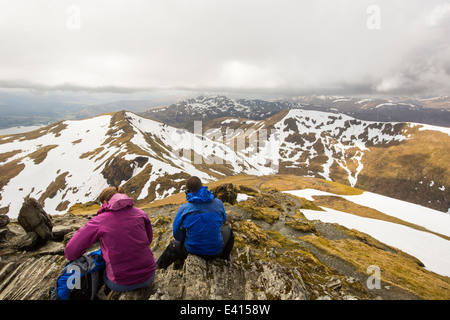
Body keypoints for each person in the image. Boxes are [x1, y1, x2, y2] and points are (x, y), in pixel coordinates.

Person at [65, 186, 156, 292]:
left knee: (99, 269)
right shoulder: (140, 213)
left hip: (122, 283)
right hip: (149, 275)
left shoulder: (99, 220)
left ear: (105, 201)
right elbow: (148, 240)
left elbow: (70, 252)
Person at [157, 176, 234, 269]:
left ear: (187, 190)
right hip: (216, 252)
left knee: (172, 247)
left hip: (193, 251)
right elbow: (223, 220)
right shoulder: (218, 203)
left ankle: (158, 268)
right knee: (229, 231)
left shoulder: (184, 209)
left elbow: (177, 235)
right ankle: (224, 258)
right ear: (202, 186)